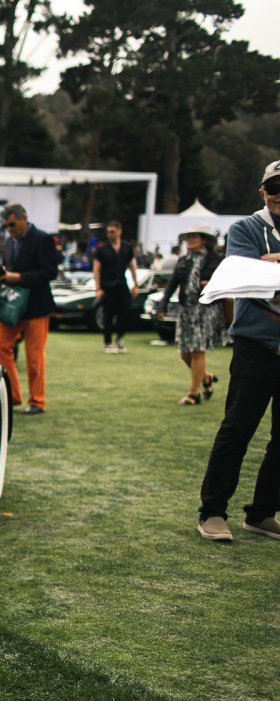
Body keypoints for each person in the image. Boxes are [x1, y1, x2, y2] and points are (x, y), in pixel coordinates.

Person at [196, 159, 280, 542]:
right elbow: (245, 274)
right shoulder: (246, 227)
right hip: (256, 345)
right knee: (237, 430)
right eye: (274, 187)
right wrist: (264, 266)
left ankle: (262, 514)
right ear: (263, 191)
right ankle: (212, 512)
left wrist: (271, 264)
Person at [0, 202, 58, 415]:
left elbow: (50, 273)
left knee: (34, 355)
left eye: (12, 224)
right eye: (6, 226)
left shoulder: (43, 239)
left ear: (24, 219)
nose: (9, 229)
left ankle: (37, 401)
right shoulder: (9, 242)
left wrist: (18, 277)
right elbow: (11, 267)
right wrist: (1, 272)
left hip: (36, 306)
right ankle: (13, 395)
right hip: (12, 305)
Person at [158, 223, 226, 407]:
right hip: (186, 308)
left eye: (194, 237)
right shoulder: (183, 260)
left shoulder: (216, 259)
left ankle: (193, 394)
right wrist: (162, 305)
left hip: (206, 308)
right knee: (184, 352)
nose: (190, 240)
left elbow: (225, 281)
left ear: (204, 240)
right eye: (188, 237)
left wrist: (211, 284)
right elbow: (172, 284)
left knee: (197, 349)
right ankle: (205, 378)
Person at [92, 220, 139, 353]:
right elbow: (96, 269)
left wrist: (135, 285)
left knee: (126, 312)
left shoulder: (126, 247)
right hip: (107, 285)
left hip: (122, 284)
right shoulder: (102, 249)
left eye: (112, 232)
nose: (109, 234)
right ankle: (107, 342)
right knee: (108, 314)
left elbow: (132, 266)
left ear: (119, 231)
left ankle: (119, 337)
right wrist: (98, 288)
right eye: (108, 232)